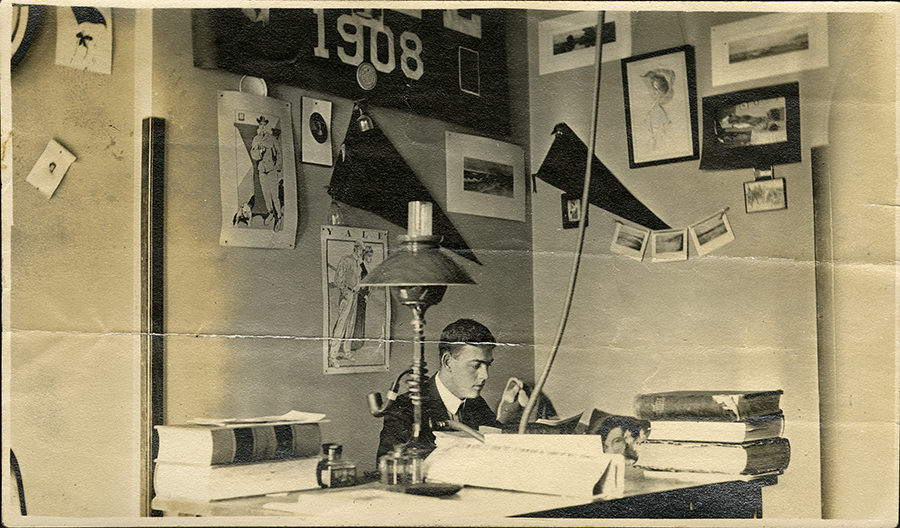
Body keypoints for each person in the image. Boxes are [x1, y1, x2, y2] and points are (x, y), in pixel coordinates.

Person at [376, 319, 503, 460]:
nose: (485, 375)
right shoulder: (405, 409)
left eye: (488, 365)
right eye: (476, 365)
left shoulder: (477, 404)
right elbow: (387, 469)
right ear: (448, 362)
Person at [329, 242, 364, 362]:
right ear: (356, 249)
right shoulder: (346, 260)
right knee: (342, 324)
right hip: (347, 294)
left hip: (354, 295)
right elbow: (338, 279)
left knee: (351, 325)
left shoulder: (358, 263)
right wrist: (345, 292)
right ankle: (333, 355)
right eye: (361, 250)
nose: (362, 252)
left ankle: (347, 351)